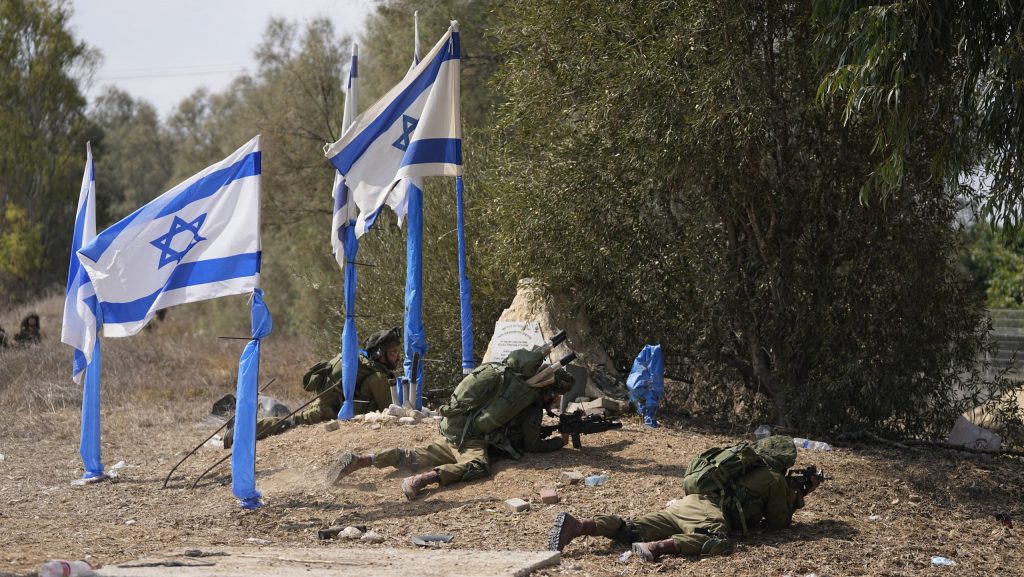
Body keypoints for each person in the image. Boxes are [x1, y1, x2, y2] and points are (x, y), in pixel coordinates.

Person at [326, 347, 576, 500]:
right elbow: (532, 445)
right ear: (550, 390)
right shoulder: (528, 400)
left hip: (452, 431)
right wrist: (559, 442)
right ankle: (423, 480)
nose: (555, 401)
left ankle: (364, 460)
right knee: (478, 466)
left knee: (412, 455)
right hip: (472, 441)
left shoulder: (504, 375)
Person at [549, 436, 822, 562]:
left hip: (686, 503)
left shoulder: (743, 461)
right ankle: (658, 548)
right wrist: (796, 497)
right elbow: (777, 523)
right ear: (786, 462)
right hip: (709, 513)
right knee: (719, 542)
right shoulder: (774, 479)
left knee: (631, 528)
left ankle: (580, 526)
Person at [223, 327, 401, 449]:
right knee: (289, 423)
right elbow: (391, 410)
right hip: (327, 411)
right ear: (379, 354)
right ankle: (239, 431)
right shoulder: (377, 376)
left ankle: (242, 426)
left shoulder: (368, 368)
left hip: (327, 406)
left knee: (290, 420)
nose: (397, 358)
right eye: (393, 353)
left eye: (398, 353)